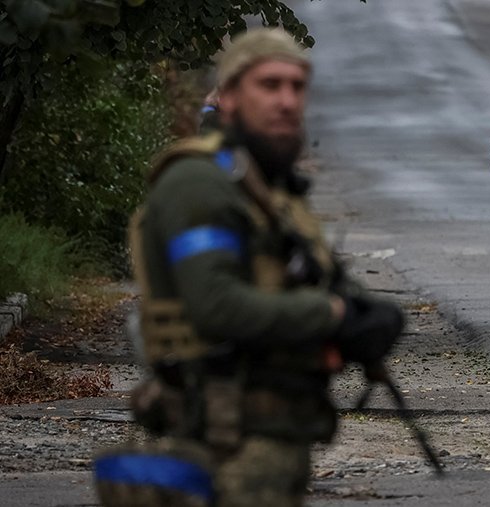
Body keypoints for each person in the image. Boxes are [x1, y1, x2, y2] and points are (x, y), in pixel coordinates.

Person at [95, 28, 403, 506]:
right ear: (230, 96)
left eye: (297, 87)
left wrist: (364, 315)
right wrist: (333, 316)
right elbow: (216, 306)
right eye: (269, 85)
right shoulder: (197, 182)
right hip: (216, 447)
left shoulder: (264, 190)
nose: (287, 101)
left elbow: (299, 280)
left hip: (269, 446)